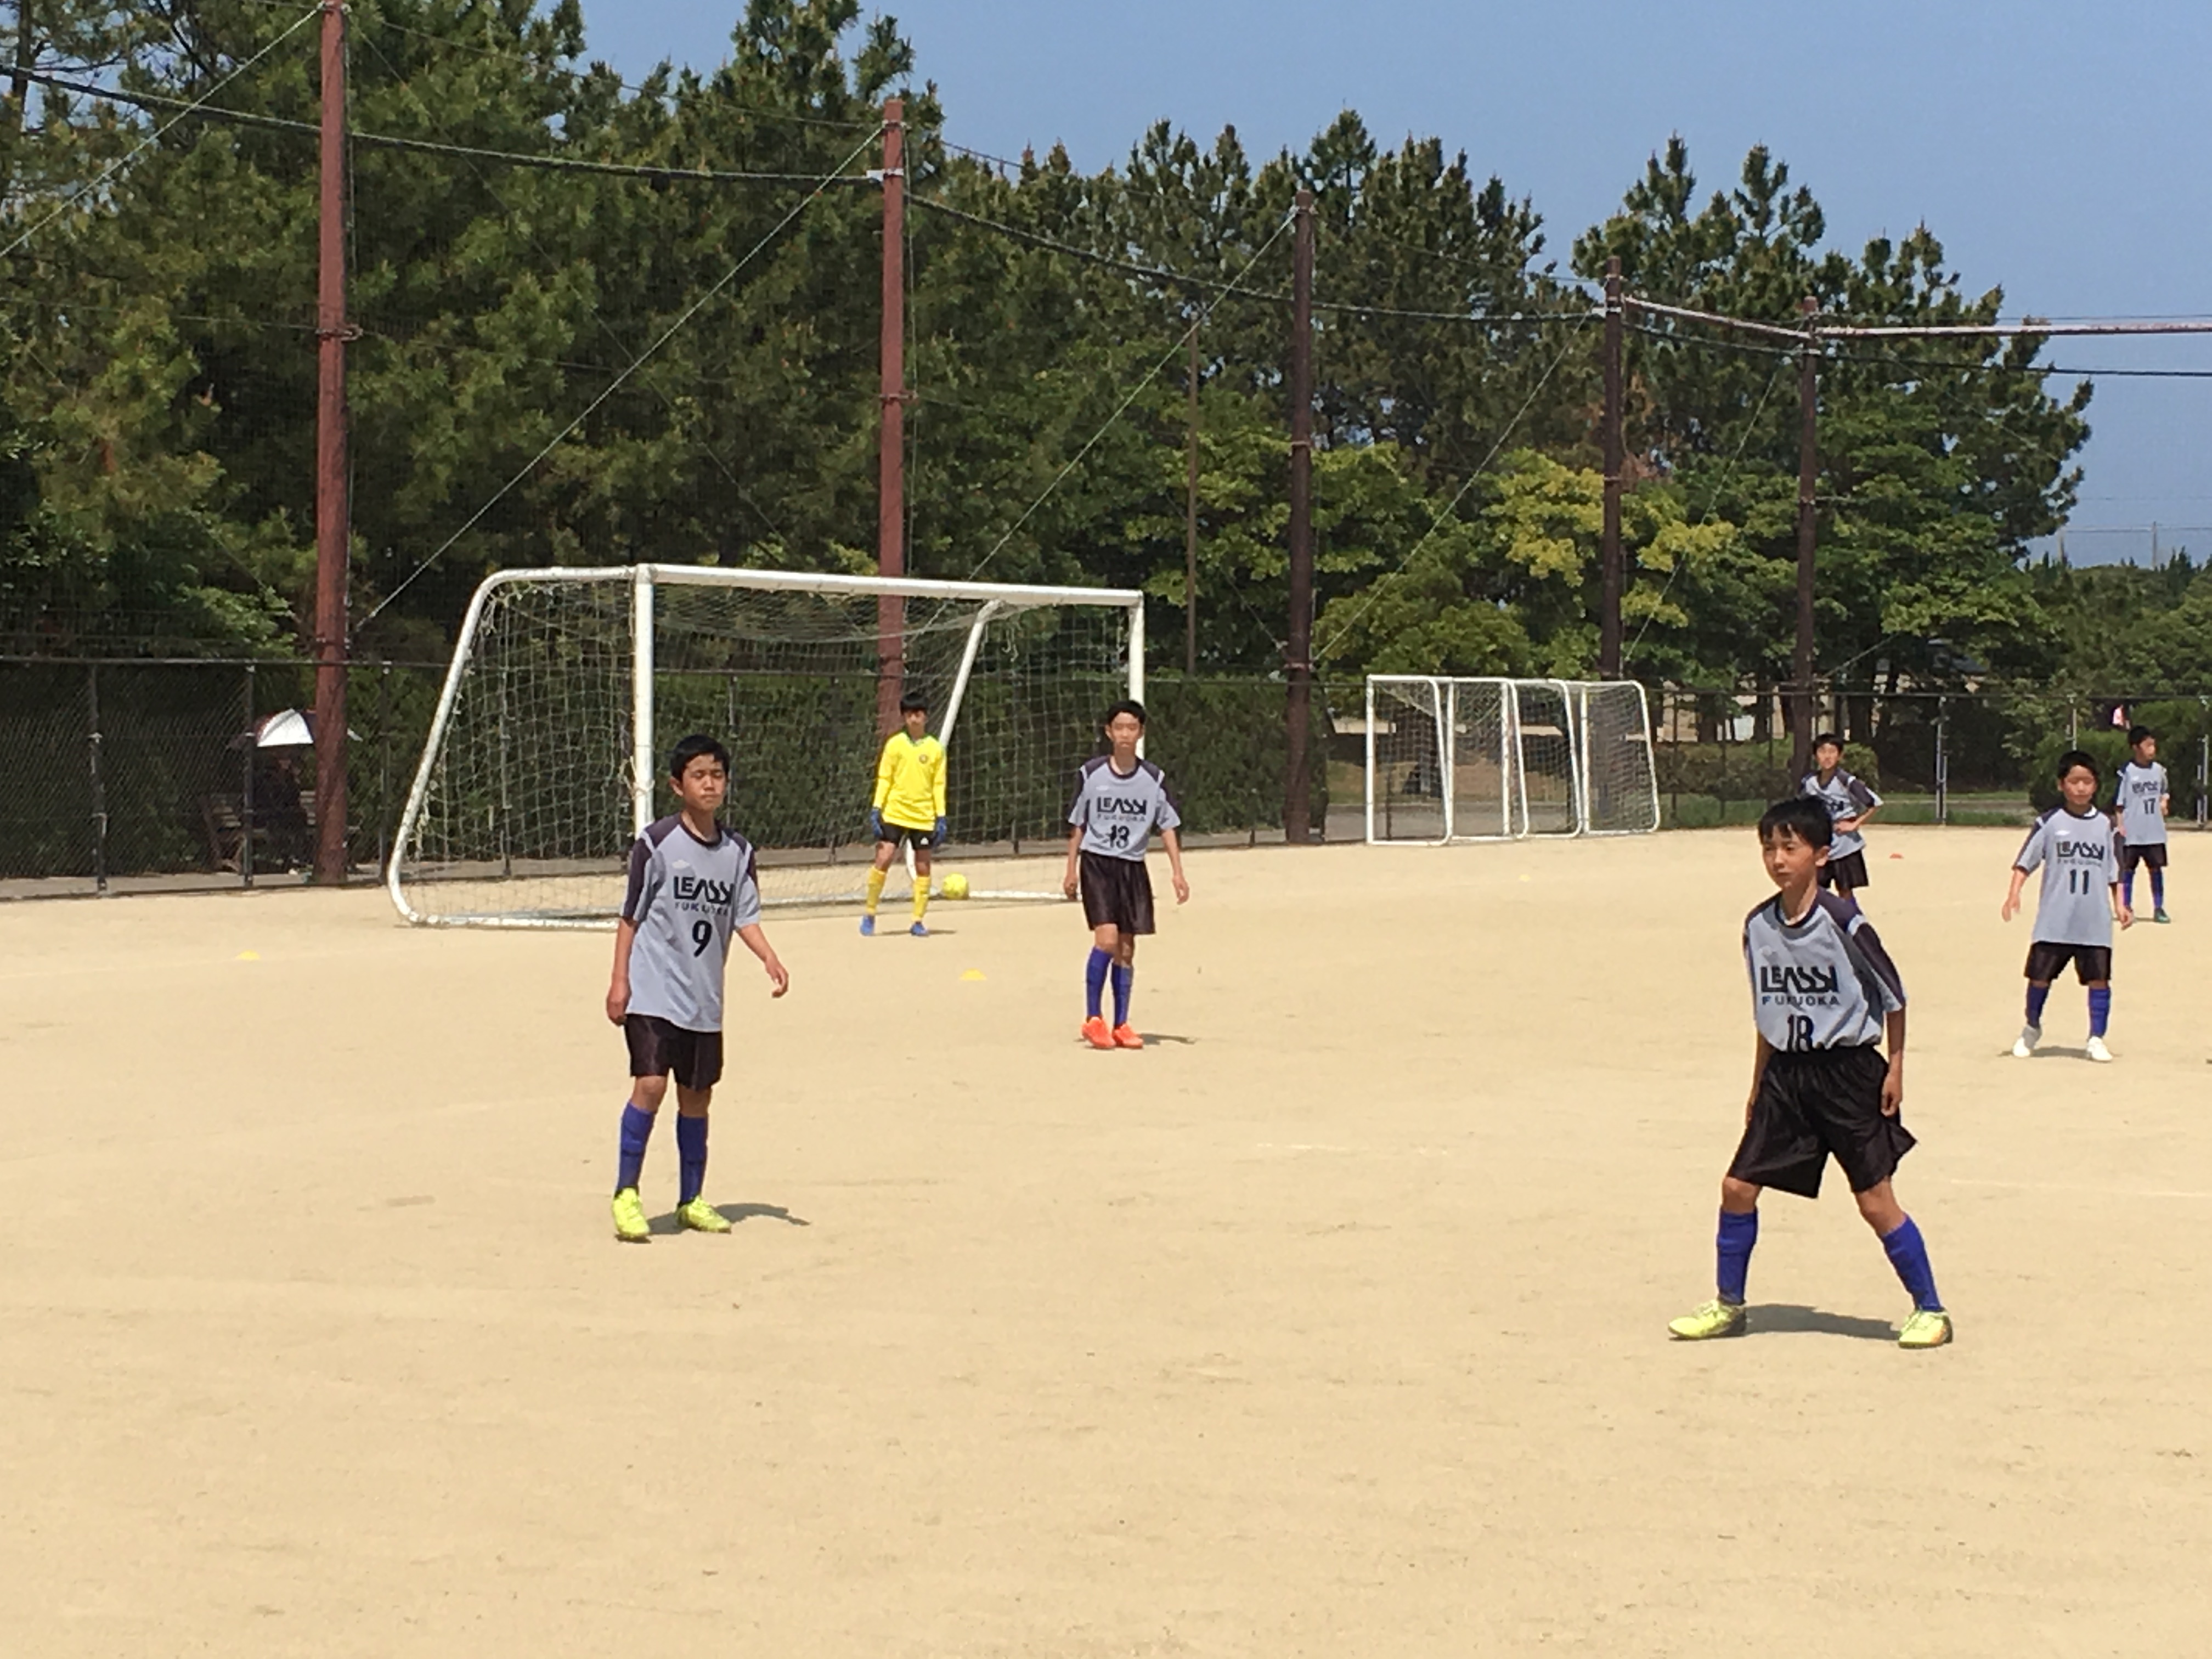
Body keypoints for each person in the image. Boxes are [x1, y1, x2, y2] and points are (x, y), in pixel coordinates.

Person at [1668, 797, 1951, 1350]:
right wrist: (1757, 1084)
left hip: (1847, 1072)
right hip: (1787, 1075)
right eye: (1769, 847)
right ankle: (1729, 1305)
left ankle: (1931, 1310)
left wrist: (1894, 1067)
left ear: (1821, 855)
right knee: (1737, 1187)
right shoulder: (1757, 926)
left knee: (1874, 1202)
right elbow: (1765, 1012)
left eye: (1790, 847)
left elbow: (1895, 995)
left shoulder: (1844, 921)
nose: (1777, 859)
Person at [606, 735, 791, 1243]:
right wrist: (619, 980)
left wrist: (769, 957)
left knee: (697, 1096)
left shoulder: (738, 852)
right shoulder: (656, 843)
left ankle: (691, 1199)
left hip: (704, 997)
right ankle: (627, 1194)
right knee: (651, 1084)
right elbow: (630, 917)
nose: (709, 784)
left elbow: (744, 915)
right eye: (698, 775)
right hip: (652, 990)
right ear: (677, 785)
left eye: (717, 775)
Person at [1062, 699, 1190, 1051]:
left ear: (1141, 733)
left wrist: (1178, 873)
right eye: (1118, 728)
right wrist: (1070, 868)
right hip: (1098, 864)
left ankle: (1121, 1023)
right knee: (1106, 940)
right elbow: (1077, 824)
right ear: (1108, 732)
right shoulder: (1091, 774)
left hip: (1133, 867)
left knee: (1127, 949)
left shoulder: (1154, 779)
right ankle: (1093, 1019)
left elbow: (1167, 827)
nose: (1124, 734)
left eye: (1131, 728)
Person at [2005, 749, 2130, 1063]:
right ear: (2062, 785)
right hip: (2055, 918)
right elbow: (2025, 863)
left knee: (2099, 980)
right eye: (2074, 781)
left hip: (2093, 920)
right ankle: (2032, 1027)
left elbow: (2115, 870)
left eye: (2087, 781)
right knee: (2039, 977)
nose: (2081, 788)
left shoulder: (2106, 825)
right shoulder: (2049, 823)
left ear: (2096, 785)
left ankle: (2096, 1038)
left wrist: (2121, 904)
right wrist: (2014, 894)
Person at [863, 691, 947, 938]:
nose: (914, 719)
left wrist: (940, 816)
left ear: (926, 716)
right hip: (895, 811)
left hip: (923, 815)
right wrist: (877, 808)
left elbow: (938, 784)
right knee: (884, 857)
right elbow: (885, 778)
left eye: (919, 714)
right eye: (910, 714)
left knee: (923, 865)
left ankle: (918, 920)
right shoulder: (895, 745)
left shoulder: (935, 749)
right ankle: (869, 913)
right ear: (904, 716)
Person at [1799, 732, 1882, 898]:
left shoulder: (1846, 781)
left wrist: (1854, 824)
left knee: (1845, 890)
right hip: (1821, 843)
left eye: (1832, 752)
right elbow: (1802, 806)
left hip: (1845, 845)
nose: (1827, 757)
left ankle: (1852, 921)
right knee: (1816, 889)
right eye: (1822, 752)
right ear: (1815, 756)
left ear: (1840, 756)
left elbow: (1875, 804)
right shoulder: (1810, 783)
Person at [2112, 725, 2171, 923]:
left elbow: (2165, 790)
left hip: (2154, 831)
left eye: (2154, 745)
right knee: (2128, 870)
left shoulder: (2159, 770)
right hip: (2133, 832)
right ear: (2136, 747)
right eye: (2148, 746)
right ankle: (2127, 906)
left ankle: (2159, 907)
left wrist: (2164, 801)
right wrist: (2120, 827)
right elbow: (2119, 804)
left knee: (2156, 869)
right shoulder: (2126, 772)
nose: (2152, 750)